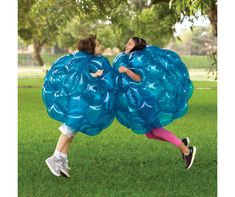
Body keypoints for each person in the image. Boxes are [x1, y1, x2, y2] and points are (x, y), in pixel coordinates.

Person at [115, 37, 197, 170]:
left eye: (130, 44)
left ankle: (187, 151)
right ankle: (181, 143)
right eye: (127, 43)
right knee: (149, 133)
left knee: (155, 129)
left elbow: (140, 79)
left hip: (145, 101)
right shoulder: (130, 58)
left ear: (136, 47)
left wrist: (126, 71)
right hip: (141, 100)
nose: (126, 45)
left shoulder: (136, 59)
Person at [44, 35, 114, 178]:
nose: (100, 46)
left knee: (72, 132)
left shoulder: (88, 60)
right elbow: (77, 76)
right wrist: (93, 75)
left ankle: (62, 160)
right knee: (69, 129)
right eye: (98, 44)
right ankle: (55, 157)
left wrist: (95, 75)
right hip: (78, 102)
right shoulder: (80, 60)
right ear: (91, 48)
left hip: (83, 101)